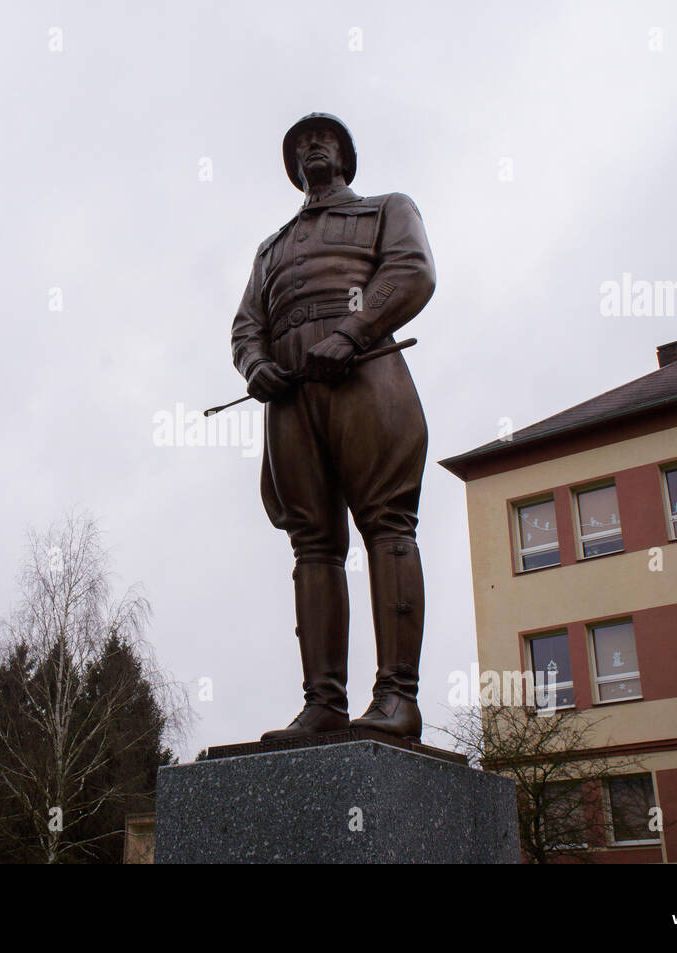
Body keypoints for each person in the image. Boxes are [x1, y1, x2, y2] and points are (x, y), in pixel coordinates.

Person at [230, 113, 436, 741]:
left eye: (324, 138)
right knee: (312, 545)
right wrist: (257, 365)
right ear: (294, 167)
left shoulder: (385, 209)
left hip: (364, 374)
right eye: (300, 144)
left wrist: (352, 332)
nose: (312, 146)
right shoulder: (270, 249)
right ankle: (324, 702)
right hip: (291, 393)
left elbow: (411, 272)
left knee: (387, 524)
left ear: (346, 154)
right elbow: (245, 325)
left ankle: (397, 697)